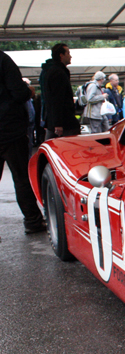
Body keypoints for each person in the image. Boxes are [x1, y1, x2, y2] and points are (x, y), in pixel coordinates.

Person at [0, 50, 46, 234]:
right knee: (20, 177)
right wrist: (28, 91)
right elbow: (19, 92)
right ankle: (33, 221)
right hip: (8, 128)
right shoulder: (2, 59)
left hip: (8, 127)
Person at [40, 43, 80, 140]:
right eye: (68, 53)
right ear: (61, 55)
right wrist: (58, 123)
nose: (70, 56)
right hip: (64, 121)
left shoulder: (48, 71)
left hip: (53, 120)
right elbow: (57, 99)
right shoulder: (58, 73)